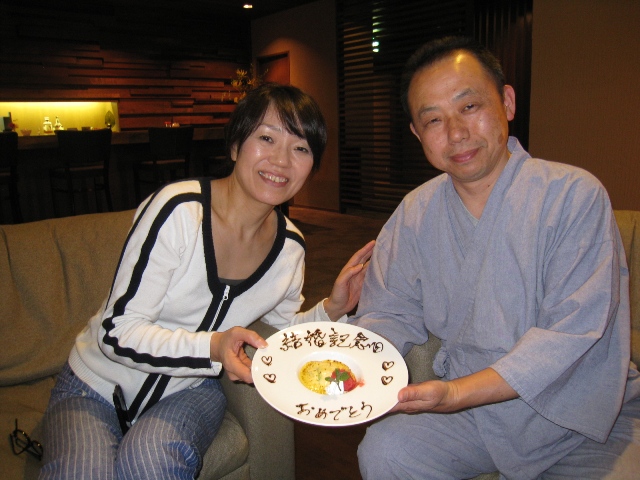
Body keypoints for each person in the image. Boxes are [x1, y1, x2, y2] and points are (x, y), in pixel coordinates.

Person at [40, 83, 374, 479]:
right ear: (235, 145)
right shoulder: (179, 211)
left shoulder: (290, 248)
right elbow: (116, 331)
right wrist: (213, 347)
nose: (282, 160)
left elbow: (280, 334)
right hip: (94, 385)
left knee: (152, 462)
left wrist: (333, 308)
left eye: (301, 148)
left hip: (191, 390)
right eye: (266, 138)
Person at [351, 36, 640, 479]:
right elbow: (389, 310)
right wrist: (351, 366)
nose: (456, 133)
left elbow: (571, 332)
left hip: (582, 417)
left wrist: (455, 394)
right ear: (417, 134)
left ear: (506, 102)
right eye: (433, 119)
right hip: (477, 417)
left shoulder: (573, 195)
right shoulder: (415, 212)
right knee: (387, 451)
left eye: (469, 107)